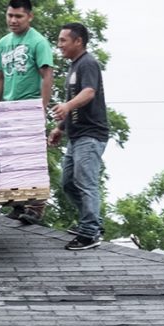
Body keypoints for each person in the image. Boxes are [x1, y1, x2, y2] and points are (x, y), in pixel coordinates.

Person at [0, 0, 54, 225]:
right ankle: (17, 202)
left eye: (18, 16)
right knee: (10, 156)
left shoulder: (38, 41)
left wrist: (42, 108)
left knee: (32, 156)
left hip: (29, 104)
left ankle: (36, 205)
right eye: (10, 15)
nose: (13, 20)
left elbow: (47, 75)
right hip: (8, 107)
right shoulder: (3, 42)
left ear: (29, 16)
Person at [48, 22, 109, 251]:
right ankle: (93, 223)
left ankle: (89, 233)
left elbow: (89, 92)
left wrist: (67, 105)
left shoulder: (88, 63)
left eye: (63, 40)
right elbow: (73, 104)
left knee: (86, 183)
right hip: (76, 136)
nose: (59, 45)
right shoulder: (75, 66)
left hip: (91, 135)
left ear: (78, 41)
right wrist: (60, 128)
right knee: (68, 184)